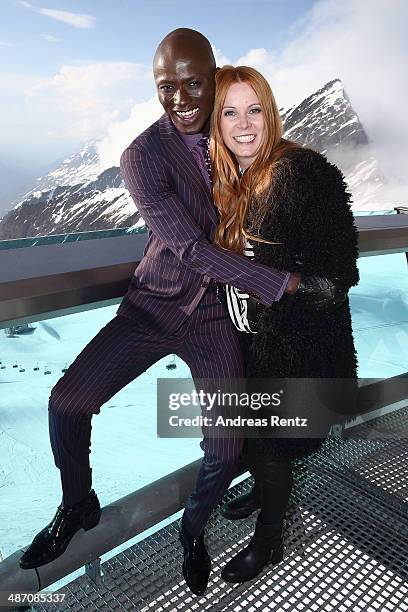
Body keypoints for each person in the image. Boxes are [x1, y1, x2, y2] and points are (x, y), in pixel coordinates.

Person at [19, 30, 319, 597]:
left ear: (213, 77)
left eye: (192, 84)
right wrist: (281, 283)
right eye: (165, 87)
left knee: (227, 445)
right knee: (67, 402)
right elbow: (188, 248)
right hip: (152, 307)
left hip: (213, 316)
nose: (180, 98)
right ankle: (77, 503)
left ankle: (192, 527)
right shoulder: (141, 154)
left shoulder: (236, 130)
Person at [210, 65, 359, 583]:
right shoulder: (233, 178)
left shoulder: (305, 172)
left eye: (254, 109)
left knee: (268, 440)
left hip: (301, 346)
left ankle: (270, 541)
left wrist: (275, 285)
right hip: (252, 341)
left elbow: (337, 278)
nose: (243, 124)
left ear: (270, 113)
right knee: (251, 437)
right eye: (229, 112)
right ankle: (265, 483)